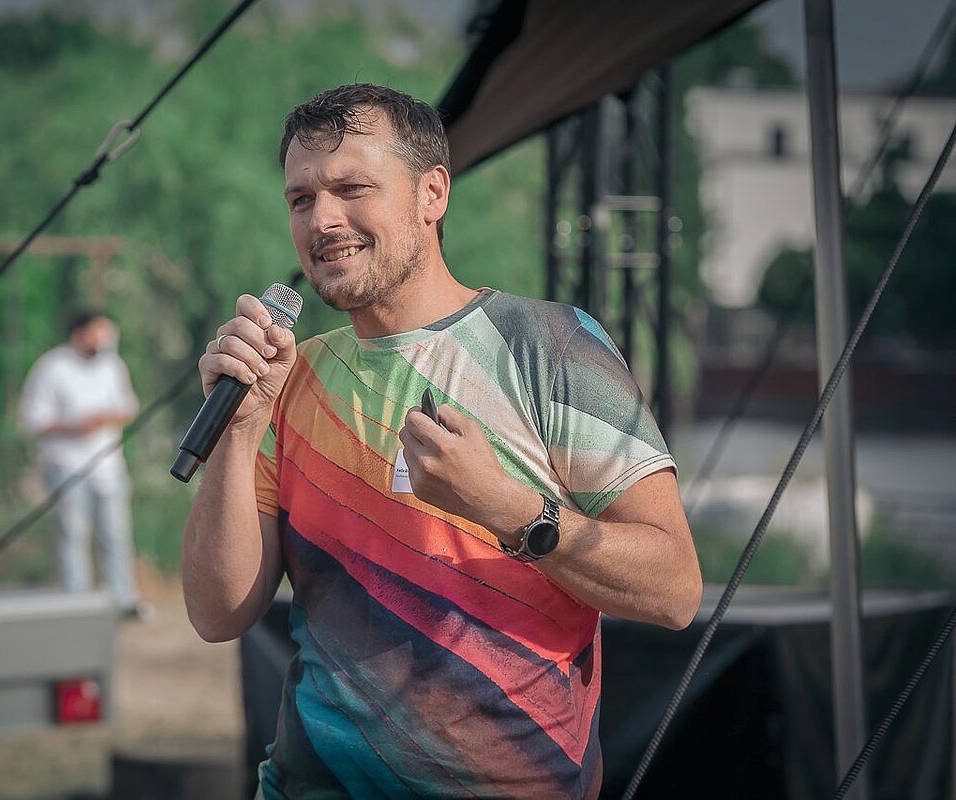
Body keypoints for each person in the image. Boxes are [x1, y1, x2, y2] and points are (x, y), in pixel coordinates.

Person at [182, 84, 702, 799]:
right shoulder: (289, 378)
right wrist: (239, 433)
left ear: (432, 194)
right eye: (301, 199)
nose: (322, 219)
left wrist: (510, 510)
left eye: (350, 188)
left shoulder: (548, 346)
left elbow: (674, 590)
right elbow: (218, 613)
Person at [19, 309, 145, 618]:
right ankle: (77, 603)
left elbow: (129, 407)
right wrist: (75, 427)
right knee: (72, 535)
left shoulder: (112, 366)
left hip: (109, 467)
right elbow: (33, 420)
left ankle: (124, 600)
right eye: (98, 332)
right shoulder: (52, 367)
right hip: (66, 466)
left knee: (115, 534)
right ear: (80, 332)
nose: (103, 339)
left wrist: (105, 418)